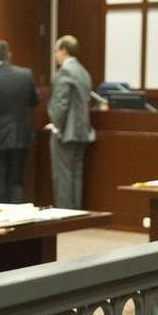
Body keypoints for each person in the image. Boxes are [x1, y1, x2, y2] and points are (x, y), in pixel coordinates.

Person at [0, 40, 40, 203]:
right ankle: (19, 217)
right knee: (16, 179)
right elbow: (35, 101)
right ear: (9, 54)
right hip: (22, 135)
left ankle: (1, 215)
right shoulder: (25, 74)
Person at [46, 35, 95, 209]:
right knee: (76, 175)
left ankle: (65, 214)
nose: (55, 55)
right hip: (82, 131)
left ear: (64, 51)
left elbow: (61, 103)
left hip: (66, 131)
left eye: (56, 51)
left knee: (63, 176)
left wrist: (56, 125)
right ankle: (75, 212)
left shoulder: (65, 72)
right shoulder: (84, 72)